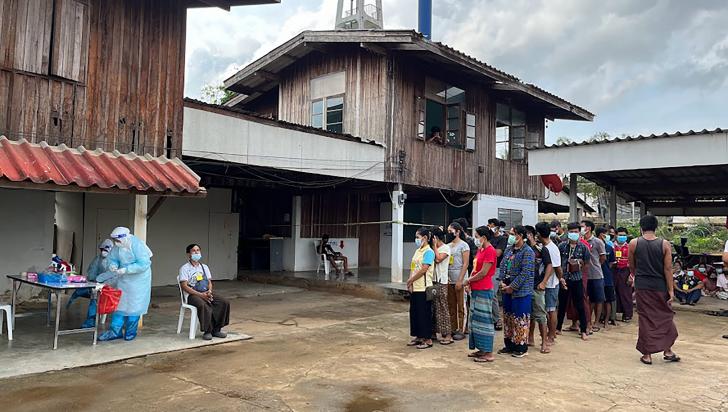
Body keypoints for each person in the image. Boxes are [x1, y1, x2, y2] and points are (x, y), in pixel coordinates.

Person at [629, 215, 679, 365]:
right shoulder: (664, 244)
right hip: (660, 286)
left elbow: (631, 266)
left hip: (643, 286)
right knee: (665, 317)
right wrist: (671, 290)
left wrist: (637, 276)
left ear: (641, 227)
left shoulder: (634, 243)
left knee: (645, 318)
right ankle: (668, 350)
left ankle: (647, 354)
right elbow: (668, 268)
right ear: (656, 227)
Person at [98, 227, 153, 342]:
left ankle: (130, 332)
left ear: (125, 237)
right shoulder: (118, 246)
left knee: (134, 307)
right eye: (114, 240)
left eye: (117, 240)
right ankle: (115, 332)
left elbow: (144, 264)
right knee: (120, 305)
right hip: (124, 280)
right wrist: (113, 265)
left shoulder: (137, 245)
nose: (116, 243)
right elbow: (112, 258)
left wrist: (126, 269)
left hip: (139, 281)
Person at [178, 244, 231, 340]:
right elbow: (184, 286)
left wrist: (209, 291)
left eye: (198, 250)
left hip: (205, 292)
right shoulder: (185, 268)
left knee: (224, 302)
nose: (196, 252)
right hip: (192, 295)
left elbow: (209, 282)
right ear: (188, 254)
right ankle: (207, 331)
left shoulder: (204, 267)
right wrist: (200, 295)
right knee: (203, 305)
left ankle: (217, 329)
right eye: (193, 251)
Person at [498, 225, 535, 358]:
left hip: (521, 291)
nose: (511, 236)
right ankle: (509, 344)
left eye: (513, 234)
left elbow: (525, 272)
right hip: (506, 287)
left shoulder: (528, 251)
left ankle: (520, 347)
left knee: (520, 318)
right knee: (508, 317)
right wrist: (502, 281)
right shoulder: (509, 250)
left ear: (520, 235)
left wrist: (512, 287)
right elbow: (502, 265)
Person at [464, 226, 497, 363]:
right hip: (476, 289)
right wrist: (469, 283)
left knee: (484, 321)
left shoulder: (490, 251)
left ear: (483, 237)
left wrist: (468, 280)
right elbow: (475, 269)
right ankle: (481, 349)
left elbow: (483, 272)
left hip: (484, 289)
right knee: (476, 321)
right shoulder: (481, 250)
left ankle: (488, 352)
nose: (476, 239)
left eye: (477, 236)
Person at [67, 239, 113, 328]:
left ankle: (91, 319)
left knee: (95, 295)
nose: (103, 252)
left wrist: (103, 283)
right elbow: (91, 272)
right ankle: (88, 317)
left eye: (106, 250)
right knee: (82, 290)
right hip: (97, 284)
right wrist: (93, 281)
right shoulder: (98, 259)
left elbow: (114, 277)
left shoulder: (114, 261)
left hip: (110, 287)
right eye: (102, 249)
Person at [557, 222, 590, 341]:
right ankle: (558, 327)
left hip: (577, 279)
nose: (573, 234)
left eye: (576, 232)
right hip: (564, 279)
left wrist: (579, 265)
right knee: (562, 304)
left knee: (580, 305)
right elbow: (558, 263)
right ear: (567, 232)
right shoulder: (561, 246)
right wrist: (560, 277)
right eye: (571, 232)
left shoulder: (583, 247)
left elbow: (587, 263)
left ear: (579, 233)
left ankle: (584, 330)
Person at [406, 227, 436, 350]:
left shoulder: (429, 252)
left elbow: (424, 269)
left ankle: (427, 339)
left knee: (424, 313)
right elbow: (413, 267)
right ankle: (418, 336)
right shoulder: (418, 251)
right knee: (415, 313)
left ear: (424, 238)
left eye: (418, 237)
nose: (416, 240)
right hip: (415, 287)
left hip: (424, 287)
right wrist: (410, 282)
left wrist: (411, 280)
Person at [528, 224, 553, 354]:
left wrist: (544, 282)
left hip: (537, 286)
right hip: (524, 286)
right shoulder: (520, 249)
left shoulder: (541, 249)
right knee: (529, 314)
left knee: (540, 314)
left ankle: (544, 342)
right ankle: (530, 337)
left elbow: (550, 265)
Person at [447, 222, 470, 341]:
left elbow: (465, 264)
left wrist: (460, 280)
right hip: (450, 278)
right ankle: (453, 326)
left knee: (461, 305)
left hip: (460, 278)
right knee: (451, 305)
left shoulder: (464, 245)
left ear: (457, 232)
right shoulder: (448, 245)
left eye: (451, 231)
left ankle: (461, 328)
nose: (449, 233)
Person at [582, 220, 606, 333]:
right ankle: (588, 321)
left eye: (583, 226)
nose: (581, 229)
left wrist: (596, 265)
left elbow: (603, 258)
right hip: (584, 275)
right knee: (588, 299)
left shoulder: (597, 242)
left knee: (598, 299)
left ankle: (596, 321)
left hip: (596, 274)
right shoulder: (580, 241)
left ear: (589, 228)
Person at [454, 218, 477, 336]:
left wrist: (468, 278)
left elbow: (470, 261)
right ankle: (458, 326)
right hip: (456, 276)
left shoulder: (468, 242)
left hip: (466, 275)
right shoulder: (453, 243)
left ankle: (465, 327)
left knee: (465, 302)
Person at [431, 228, 453, 345]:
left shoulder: (445, 248)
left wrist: (435, 246)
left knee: (443, 307)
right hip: (433, 281)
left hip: (441, 281)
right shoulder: (433, 248)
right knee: (434, 308)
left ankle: (448, 334)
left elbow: (439, 259)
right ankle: (434, 332)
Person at [489, 218, 508, 331]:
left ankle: (497, 319)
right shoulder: (489, 238)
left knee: (493, 294)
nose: (490, 227)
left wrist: (487, 249)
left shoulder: (502, 239)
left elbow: (497, 253)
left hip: (497, 268)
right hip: (487, 268)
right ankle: (492, 318)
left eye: (492, 225)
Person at [596, 227, 617, 328]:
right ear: (601, 235)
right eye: (606, 234)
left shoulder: (609, 247)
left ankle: (606, 320)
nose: (608, 236)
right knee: (597, 300)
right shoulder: (593, 245)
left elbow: (612, 263)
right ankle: (597, 320)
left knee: (608, 300)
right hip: (597, 276)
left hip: (607, 277)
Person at [613, 227, 634, 322]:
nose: (622, 237)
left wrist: (632, 276)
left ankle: (627, 315)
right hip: (614, 271)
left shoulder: (630, 247)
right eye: (620, 235)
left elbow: (635, 263)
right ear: (616, 235)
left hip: (626, 271)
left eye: (624, 235)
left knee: (626, 293)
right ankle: (613, 314)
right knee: (614, 292)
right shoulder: (612, 246)